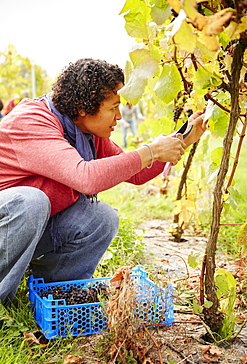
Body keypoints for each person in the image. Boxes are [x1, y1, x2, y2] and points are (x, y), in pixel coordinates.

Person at [0, 58, 207, 304]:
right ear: (82, 108)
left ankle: (53, 293)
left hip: (25, 230)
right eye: (113, 107)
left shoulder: (84, 131)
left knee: (102, 218)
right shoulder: (32, 121)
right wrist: (150, 151)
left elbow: (136, 172)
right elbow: (86, 178)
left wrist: (182, 139)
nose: (119, 116)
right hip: (10, 222)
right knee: (31, 201)